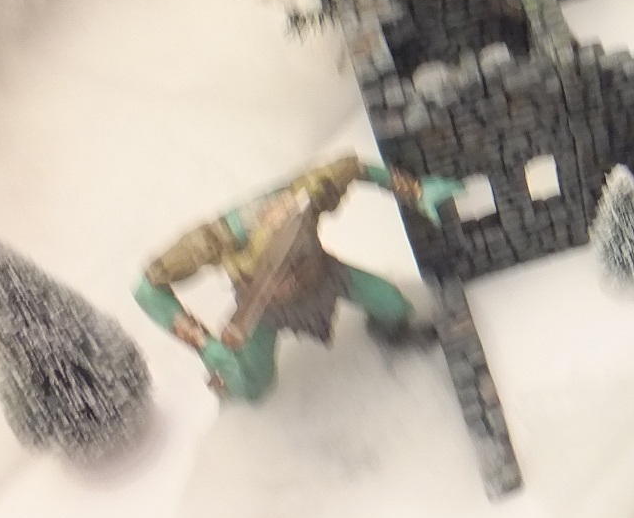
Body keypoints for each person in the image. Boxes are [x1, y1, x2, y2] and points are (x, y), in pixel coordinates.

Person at [133, 154, 461, 402]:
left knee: (391, 304)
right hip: (263, 309)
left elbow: (356, 168)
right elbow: (147, 288)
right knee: (254, 385)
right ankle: (232, 385)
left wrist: (417, 191)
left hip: (325, 275)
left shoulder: (308, 194)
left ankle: (391, 337)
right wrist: (202, 343)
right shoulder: (214, 240)